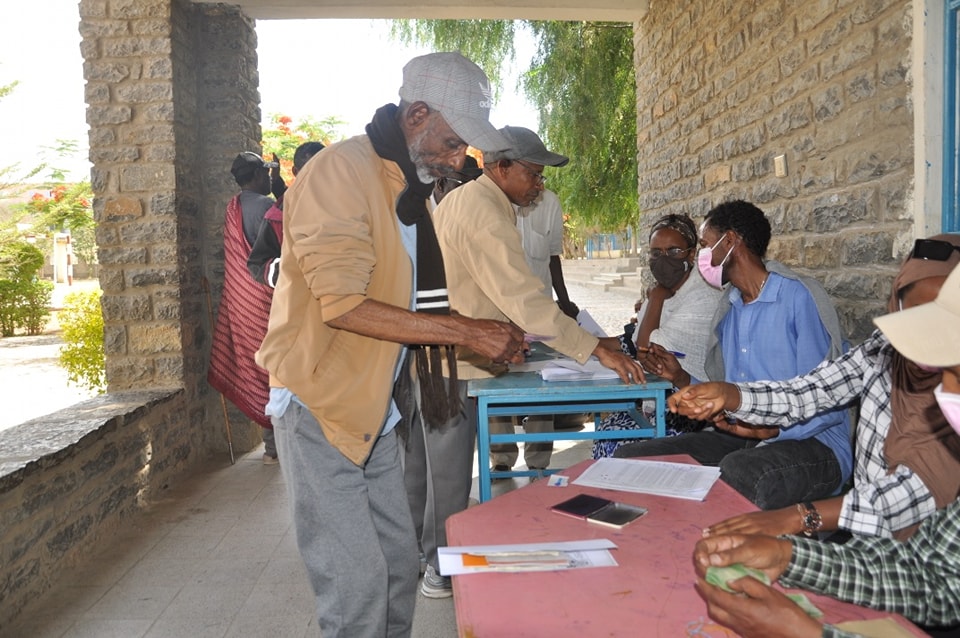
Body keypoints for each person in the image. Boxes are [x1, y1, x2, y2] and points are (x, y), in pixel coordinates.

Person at [255, 52, 523, 637]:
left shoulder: (405, 185)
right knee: (356, 586)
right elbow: (345, 305)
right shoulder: (340, 173)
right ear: (417, 114)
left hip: (374, 404)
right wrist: (467, 330)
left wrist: (469, 326)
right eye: (452, 143)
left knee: (398, 567)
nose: (458, 160)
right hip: (322, 404)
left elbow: (405, 296)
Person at [428, 125, 645, 595]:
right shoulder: (484, 213)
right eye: (533, 173)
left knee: (444, 470)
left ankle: (436, 555)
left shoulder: (476, 202)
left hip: (466, 353)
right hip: (457, 361)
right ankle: (438, 568)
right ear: (501, 167)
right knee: (447, 474)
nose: (539, 184)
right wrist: (594, 348)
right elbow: (523, 298)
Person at [691, 262, 960, 638]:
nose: (944, 391)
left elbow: (912, 498)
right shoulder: (884, 350)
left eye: (955, 373)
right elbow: (934, 578)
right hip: (878, 550)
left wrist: (807, 632)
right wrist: (789, 557)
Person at [682, 234, 960, 541]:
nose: (926, 328)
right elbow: (815, 389)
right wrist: (732, 396)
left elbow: (907, 495)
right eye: (914, 311)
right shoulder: (884, 350)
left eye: (942, 314)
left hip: (926, 549)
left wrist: (799, 517)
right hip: (867, 539)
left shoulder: (953, 398)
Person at [615, 200, 852, 511]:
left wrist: (774, 429)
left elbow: (828, 401)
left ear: (729, 243)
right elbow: (732, 396)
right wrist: (680, 377)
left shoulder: (797, 298)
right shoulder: (730, 307)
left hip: (814, 445)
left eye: (704, 246)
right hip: (746, 435)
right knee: (632, 460)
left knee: (738, 470)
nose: (701, 257)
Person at [399, 153, 482, 594]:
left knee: (422, 459)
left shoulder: (431, 212)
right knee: (440, 466)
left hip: (425, 348)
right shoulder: (421, 214)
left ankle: (416, 550)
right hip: (430, 351)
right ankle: (438, 561)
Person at [593, 213, 722, 457]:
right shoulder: (672, 290)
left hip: (692, 409)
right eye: (656, 253)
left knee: (619, 442)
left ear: (691, 255)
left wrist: (656, 297)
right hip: (659, 399)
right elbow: (633, 341)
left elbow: (647, 352)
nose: (663, 259)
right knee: (607, 430)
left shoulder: (703, 296)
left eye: (674, 251)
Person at [489, 187, 583, 473]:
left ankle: (538, 463)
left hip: (539, 309)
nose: (537, 181)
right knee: (496, 380)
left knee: (544, 382)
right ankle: (502, 459)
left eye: (539, 174)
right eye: (532, 172)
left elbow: (553, 256)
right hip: (500, 308)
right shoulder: (491, 200)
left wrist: (564, 302)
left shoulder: (550, 201)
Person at [208, 151, 283, 464]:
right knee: (275, 368)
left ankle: (271, 447)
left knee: (258, 367)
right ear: (256, 176)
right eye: (265, 174)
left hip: (241, 302)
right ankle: (278, 445)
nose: (268, 178)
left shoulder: (232, 206)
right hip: (263, 298)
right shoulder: (265, 207)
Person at [247, 141, 325, 288]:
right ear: (295, 171)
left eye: (324, 169)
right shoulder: (277, 216)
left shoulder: (347, 204)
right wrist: (292, 270)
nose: (318, 176)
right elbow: (258, 263)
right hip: (301, 295)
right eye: (309, 171)